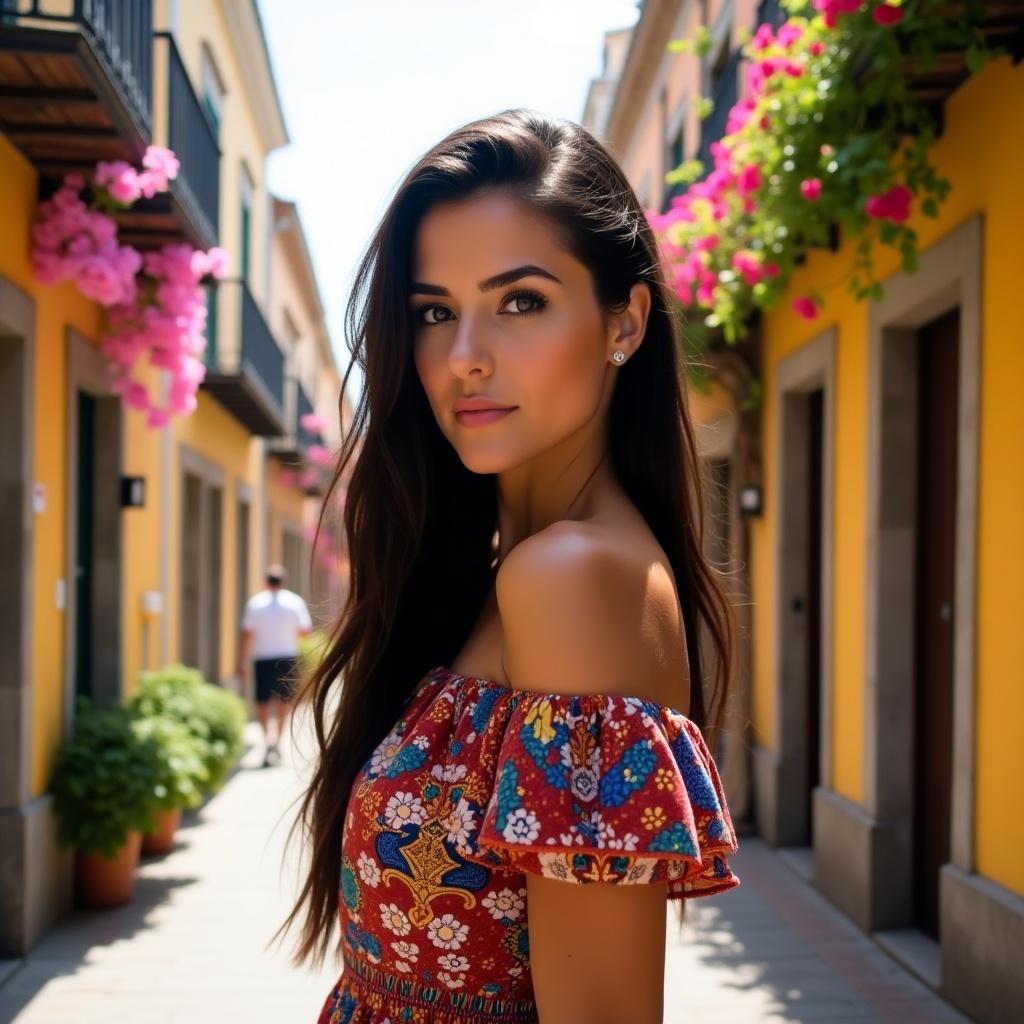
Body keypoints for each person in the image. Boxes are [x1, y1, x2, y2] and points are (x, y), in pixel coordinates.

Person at [278, 109, 741, 1023]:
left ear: (626, 322)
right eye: (434, 312)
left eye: (520, 301)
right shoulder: (515, 567)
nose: (463, 359)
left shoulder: (570, 577)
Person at [237, 564, 313, 767]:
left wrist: (241, 661)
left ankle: (267, 741)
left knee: (262, 701)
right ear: (283, 582)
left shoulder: (255, 603)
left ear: (265, 581)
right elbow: (306, 631)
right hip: (287, 657)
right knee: (284, 701)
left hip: (262, 658)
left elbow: (246, 634)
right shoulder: (294, 601)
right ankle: (277, 742)